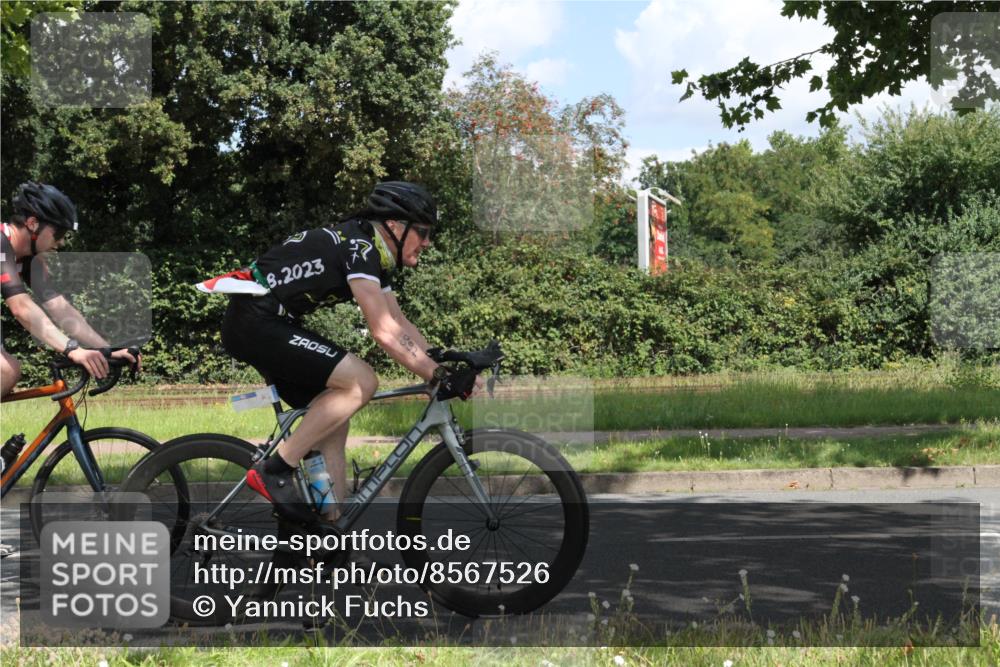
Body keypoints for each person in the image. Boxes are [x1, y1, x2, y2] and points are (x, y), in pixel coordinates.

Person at [212, 182, 481, 524]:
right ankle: (275, 470)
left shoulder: (372, 253)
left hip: (267, 322)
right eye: (423, 232)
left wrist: (438, 363)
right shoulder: (360, 249)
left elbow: (398, 322)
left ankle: (327, 530)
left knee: (334, 419)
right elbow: (383, 331)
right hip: (255, 322)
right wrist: (435, 374)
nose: (427, 242)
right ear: (395, 226)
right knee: (361, 382)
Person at [1, 181, 137, 398]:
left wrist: (107, 349)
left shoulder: (29, 258)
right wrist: (72, 348)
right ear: (33, 224)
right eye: (59, 233)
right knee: (6, 370)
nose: (62, 242)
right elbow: (21, 308)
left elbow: (59, 307)